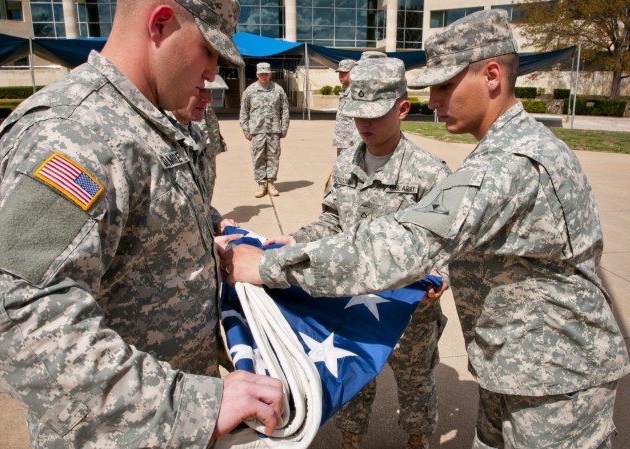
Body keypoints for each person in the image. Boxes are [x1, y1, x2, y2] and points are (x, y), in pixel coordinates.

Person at [223, 9, 630, 449]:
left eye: (444, 84)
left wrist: (269, 265)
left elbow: (405, 243)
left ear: (491, 75)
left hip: (554, 380)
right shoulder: (498, 153)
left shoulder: (512, 164)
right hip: (519, 367)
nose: (432, 100)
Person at [0, 1, 283, 448]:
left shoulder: (146, 119)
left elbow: (150, 214)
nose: (212, 73)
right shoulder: (76, 135)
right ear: (160, 22)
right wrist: (191, 406)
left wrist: (216, 234)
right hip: (121, 429)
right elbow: (18, 317)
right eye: (208, 50)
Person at [264, 57, 451, 449]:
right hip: (351, 298)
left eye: (374, 115)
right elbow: (331, 222)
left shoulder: (430, 174)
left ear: (402, 109)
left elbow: (447, 241)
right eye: (355, 114)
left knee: (415, 380)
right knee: (351, 376)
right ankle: (351, 441)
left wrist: (441, 276)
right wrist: (296, 239)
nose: (363, 124)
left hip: (408, 311)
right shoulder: (345, 164)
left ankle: (417, 439)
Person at [170, 87, 237, 235]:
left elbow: (198, 198)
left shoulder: (195, 133)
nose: (208, 99)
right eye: (199, 89)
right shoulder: (151, 137)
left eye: (210, 92)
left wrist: (214, 220)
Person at [240, 62, 290, 198]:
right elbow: (244, 112)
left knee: (273, 157)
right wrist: (246, 130)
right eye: (261, 73)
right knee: (258, 158)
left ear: (270, 74)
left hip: (274, 130)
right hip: (257, 131)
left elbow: (284, 110)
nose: (263, 76)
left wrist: (284, 128)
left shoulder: (278, 90)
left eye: (266, 73)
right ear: (256, 74)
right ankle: (261, 185)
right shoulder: (250, 91)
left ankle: (271, 183)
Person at [203, 73, 230, 201]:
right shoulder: (196, 104)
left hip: (209, 151)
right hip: (204, 151)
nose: (210, 97)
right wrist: (208, 145)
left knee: (210, 179)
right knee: (206, 181)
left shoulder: (206, 104)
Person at [332, 59, 358, 156]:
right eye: (339, 72)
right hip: (342, 141)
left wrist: (354, 141)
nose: (340, 75)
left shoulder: (356, 93)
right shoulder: (344, 91)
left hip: (351, 143)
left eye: (344, 72)